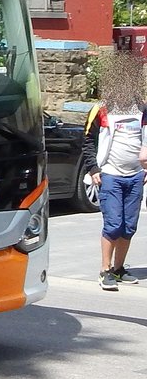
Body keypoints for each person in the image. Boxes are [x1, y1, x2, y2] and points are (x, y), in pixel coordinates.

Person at [81, 53, 147, 290]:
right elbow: (88, 140)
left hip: (136, 175)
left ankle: (119, 269)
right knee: (113, 224)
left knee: (129, 226)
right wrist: (93, 168)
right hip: (110, 174)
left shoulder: (141, 108)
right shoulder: (102, 108)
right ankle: (105, 270)